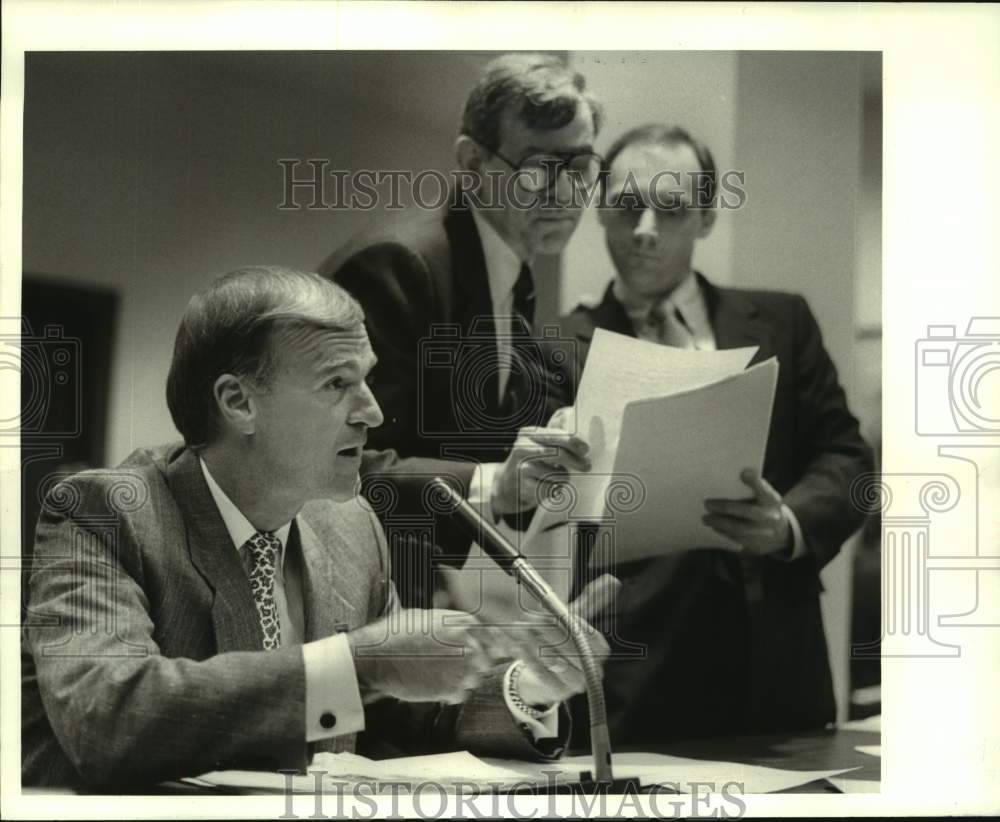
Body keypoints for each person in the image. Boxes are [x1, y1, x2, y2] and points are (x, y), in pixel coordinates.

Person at [21, 267, 609, 790]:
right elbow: (109, 718)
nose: (372, 412)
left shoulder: (351, 527)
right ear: (238, 402)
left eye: (368, 379)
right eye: (336, 384)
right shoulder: (104, 513)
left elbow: (388, 713)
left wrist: (523, 686)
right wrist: (362, 662)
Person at [558, 125, 874, 745]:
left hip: (777, 669)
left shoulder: (783, 321)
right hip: (634, 679)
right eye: (626, 207)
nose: (644, 229)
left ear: (705, 218)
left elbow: (848, 459)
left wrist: (788, 525)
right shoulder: (557, 346)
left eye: (671, 210)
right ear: (601, 210)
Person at [320, 53, 600, 602]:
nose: (566, 195)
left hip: (455, 622)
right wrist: (496, 484)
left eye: (581, 168)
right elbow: (332, 468)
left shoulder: (512, 282)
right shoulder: (396, 266)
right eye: (540, 167)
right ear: (472, 163)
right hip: (365, 616)